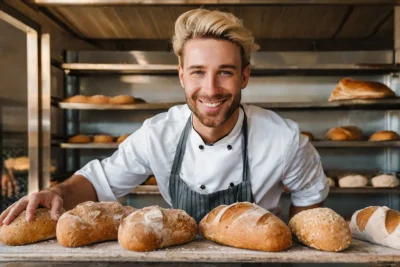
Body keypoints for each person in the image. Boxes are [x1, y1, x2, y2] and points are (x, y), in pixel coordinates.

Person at [0, 8, 328, 225]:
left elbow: (308, 215)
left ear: (244, 76)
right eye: (198, 72)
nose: (211, 89)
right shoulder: (157, 134)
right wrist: (57, 193)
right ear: (182, 75)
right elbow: (98, 182)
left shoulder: (284, 140)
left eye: (225, 72)